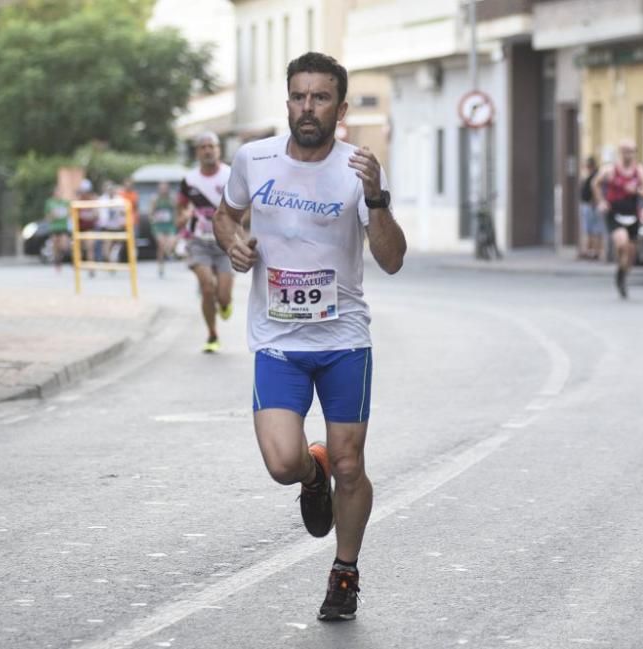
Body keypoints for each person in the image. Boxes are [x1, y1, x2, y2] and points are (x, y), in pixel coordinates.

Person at [214, 52, 406, 622]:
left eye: (320, 98)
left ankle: (344, 572)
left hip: (344, 339)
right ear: (288, 101)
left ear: (340, 108)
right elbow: (227, 215)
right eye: (298, 96)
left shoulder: (360, 168)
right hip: (278, 340)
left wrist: (376, 198)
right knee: (281, 463)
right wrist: (234, 243)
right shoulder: (255, 158)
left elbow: (392, 260)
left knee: (352, 465)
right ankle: (310, 473)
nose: (307, 107)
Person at [176, 132, 234, 352]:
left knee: (223, 296)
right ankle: (212, 335)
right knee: (207, 287)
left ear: (219, 149)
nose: (208, 150)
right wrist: (182, 218)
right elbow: (179, 210)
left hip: (224, 242)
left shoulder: (230, 175)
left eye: (212, 146)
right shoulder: (189, 181)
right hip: (198, 241)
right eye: (203, 147)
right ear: (197, 152)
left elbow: (244, 210)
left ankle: (225, 304)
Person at [591, 140, 643, 298]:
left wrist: (638, 190)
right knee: (622, 242)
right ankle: (621, 268)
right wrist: (601, 201)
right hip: (615, 213)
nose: (628, 154)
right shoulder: (610, 170)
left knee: (630, 254)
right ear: (620, 152)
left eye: (631, 151)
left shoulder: (639, 170)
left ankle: (622, 274)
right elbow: (595, 184)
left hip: (632, 214)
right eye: (625, 151)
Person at [578, 156, 604, 261]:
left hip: (592, 205)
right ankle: (590, 250)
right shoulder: (588, 175)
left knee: (595, 229)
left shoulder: (595, 175)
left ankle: (595, 251)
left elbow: (595, 190)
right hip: (587, 204)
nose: (585, 167)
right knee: (588, 229)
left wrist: (594, 203)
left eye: (587, 165)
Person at [151, 181, 178, 277]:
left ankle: (170, 252)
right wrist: (154, 220)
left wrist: (176, 223)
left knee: (171, 242)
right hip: (158, 225)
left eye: (165, 188)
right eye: (161, 188)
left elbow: (175, 211)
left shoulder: (172, 199)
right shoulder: (155, 199)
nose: (163, 190)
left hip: (169, 225)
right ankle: (161, 266)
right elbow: (151, 212)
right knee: (161, 245)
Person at [44, 188, 72, 272]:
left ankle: (62, 257)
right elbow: (47, 217)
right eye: (57, 192)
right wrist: (53, 216)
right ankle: (57, 261)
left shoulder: (66, 202)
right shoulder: (49, 203)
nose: (58, 194)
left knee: (64, 245)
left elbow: (70, 213)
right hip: (54, 227)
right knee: (55, 246)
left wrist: (66, 214)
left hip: (63, 227)